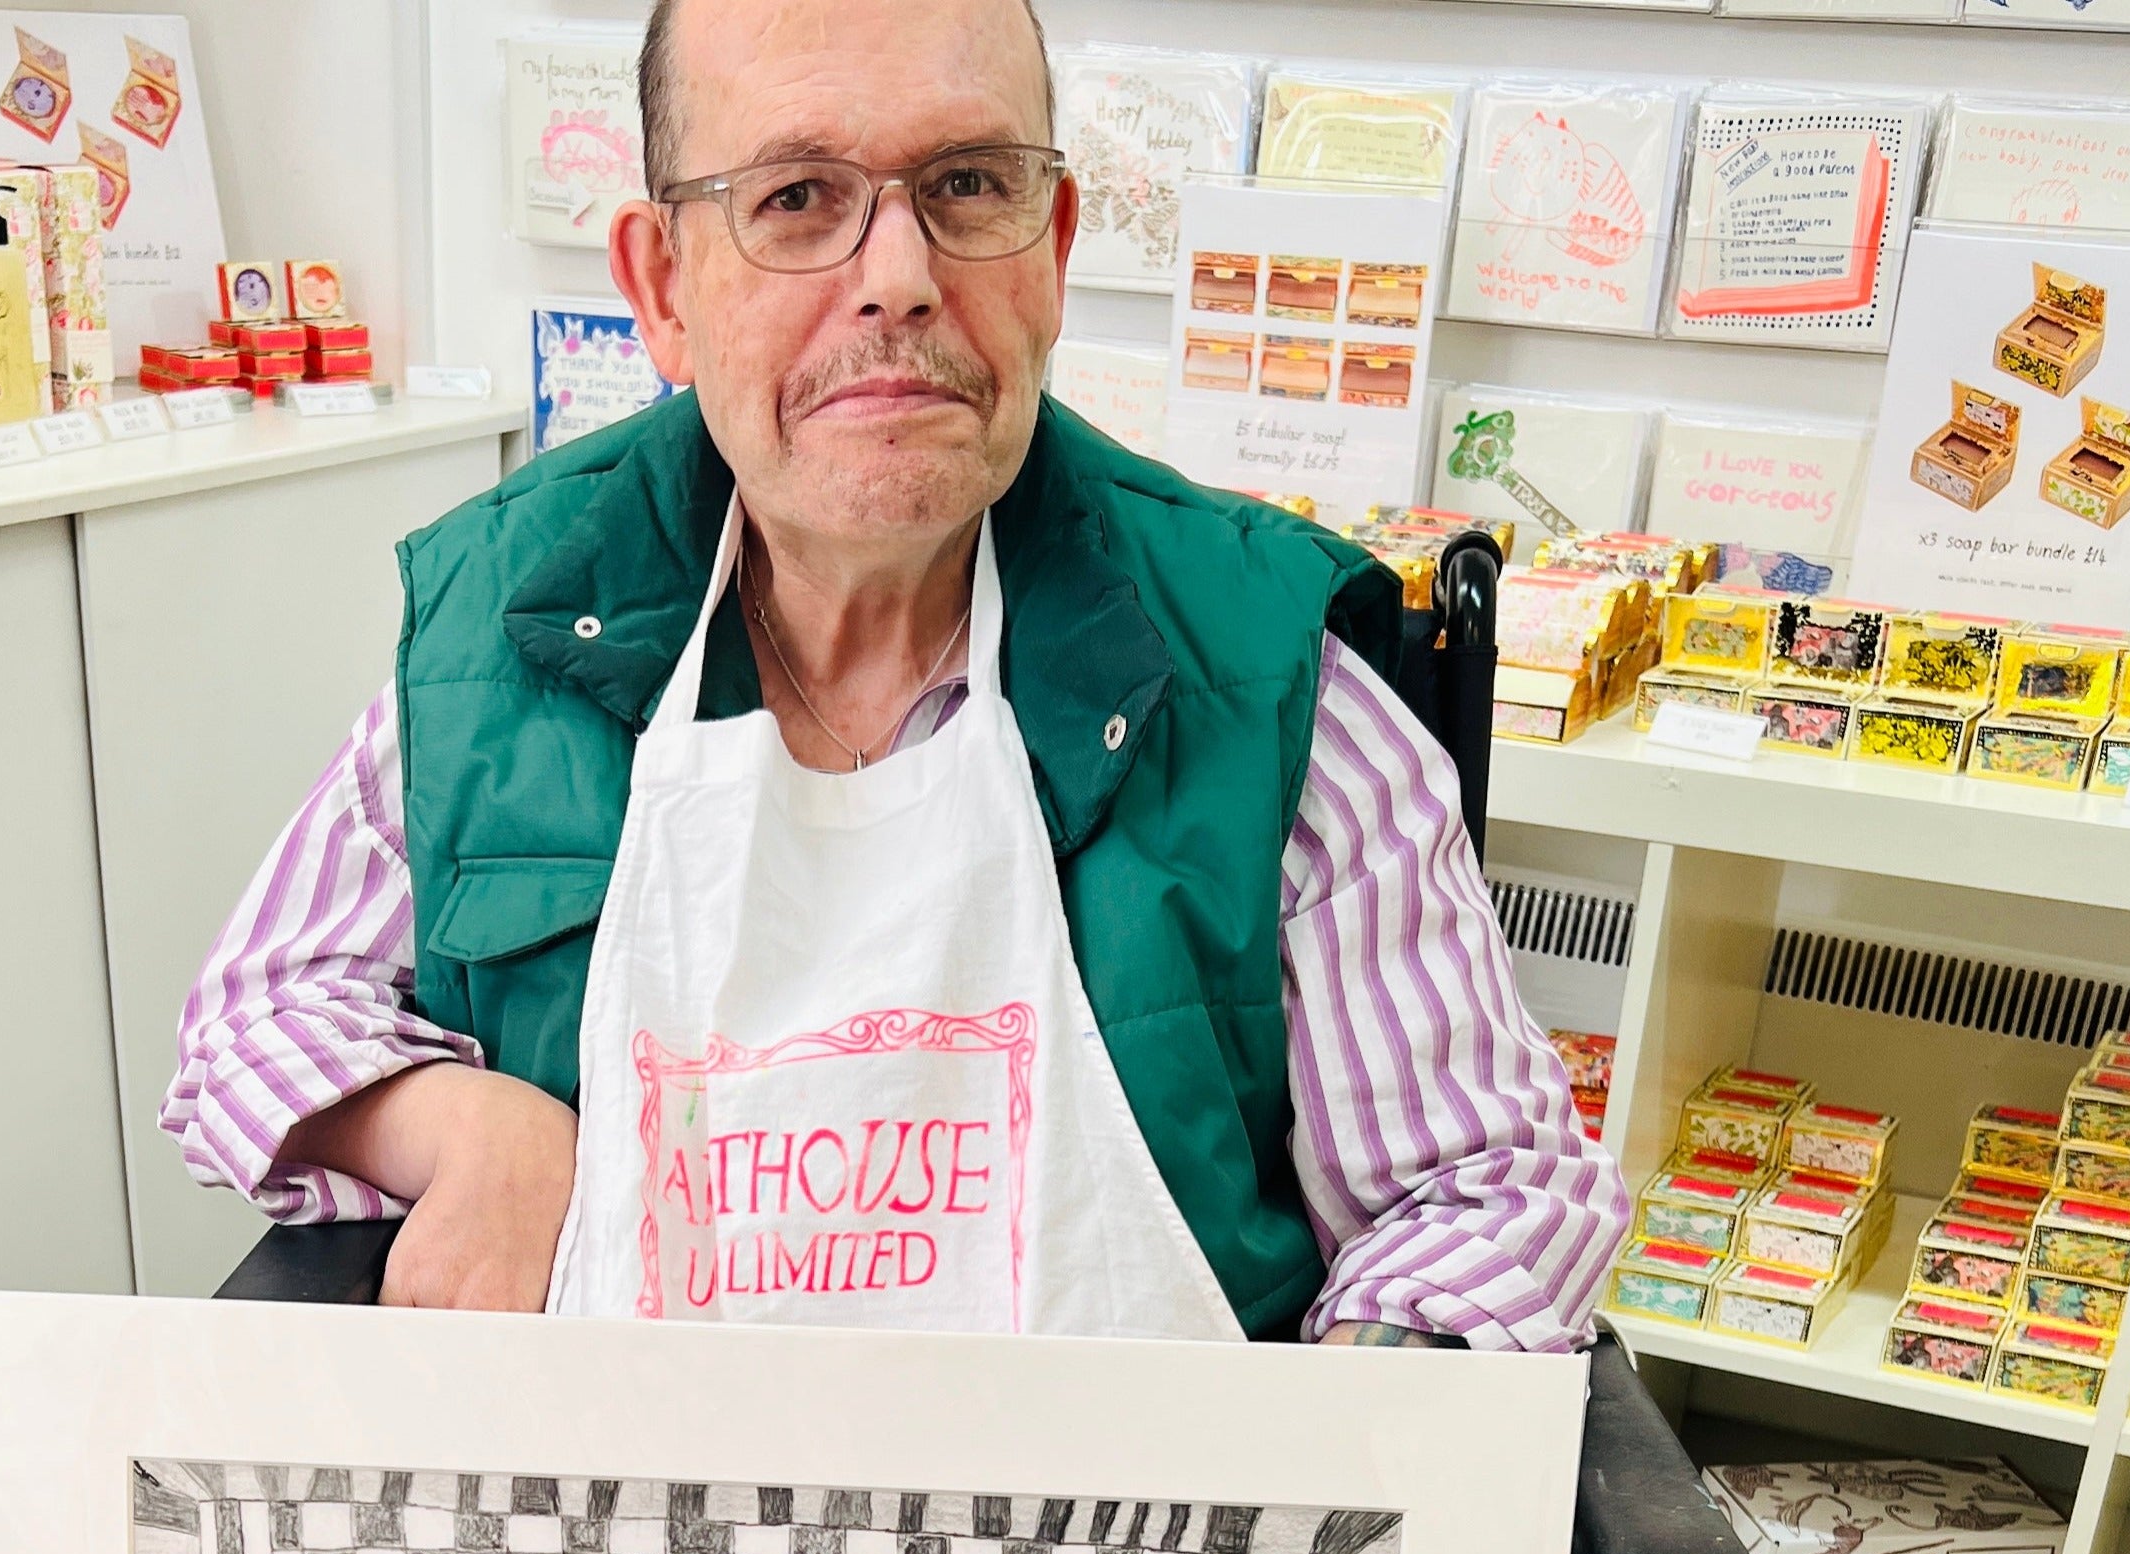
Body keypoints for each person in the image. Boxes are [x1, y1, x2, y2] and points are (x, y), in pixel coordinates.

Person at [160, 0, 1629, 1348]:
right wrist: (463, 1127)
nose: (900, 280)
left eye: (967, 188)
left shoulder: (1261, 678)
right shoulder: (504, 640)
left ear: (1050, 247)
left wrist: (1323, 1451)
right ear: (663, 282)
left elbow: (1485, 1194)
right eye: (797, 199)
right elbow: (255, 1015)